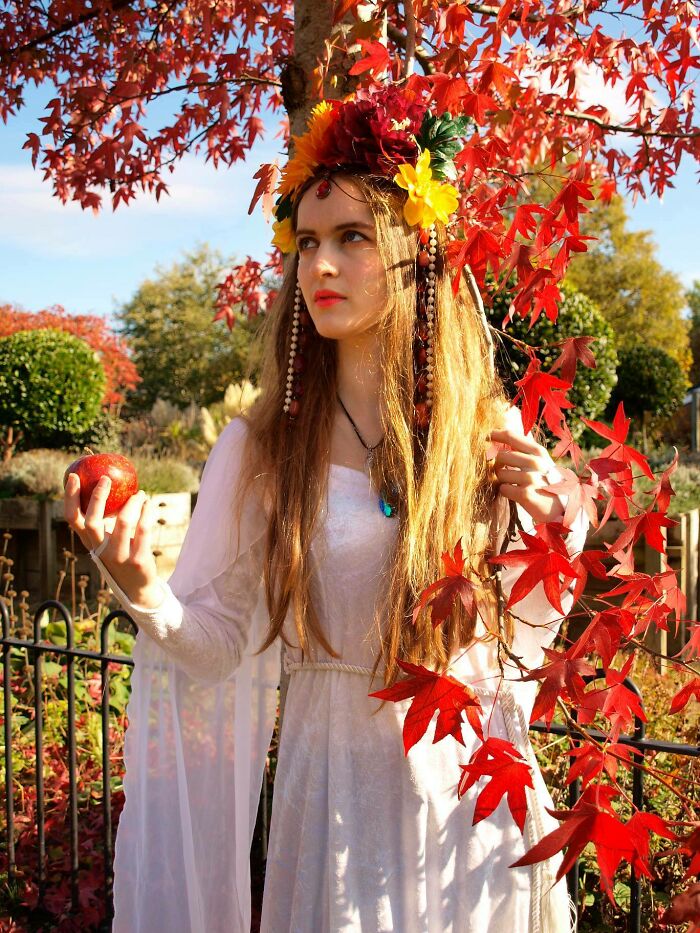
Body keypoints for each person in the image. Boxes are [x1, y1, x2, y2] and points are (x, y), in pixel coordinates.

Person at [64, 86, 588, 933]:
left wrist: (548, 527)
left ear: (415, 252)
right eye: (307, 242)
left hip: (467, 799)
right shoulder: (263, 448)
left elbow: (527, 637)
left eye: (352, 237)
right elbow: (218, 645)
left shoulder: (486, 432)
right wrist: (145, 589)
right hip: (331, 797)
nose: (320, 265)